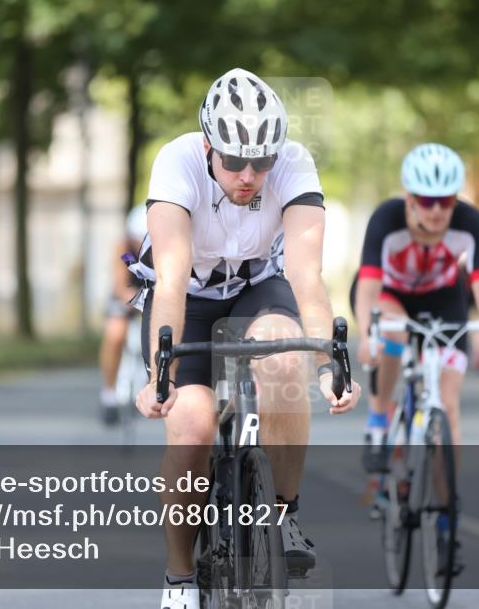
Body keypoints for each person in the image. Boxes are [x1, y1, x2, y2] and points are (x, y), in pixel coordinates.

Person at [128, 68, 361, 608]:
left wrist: (328, 363)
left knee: (283, 359)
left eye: (263, 162)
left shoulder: (294, 164)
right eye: (233, 161)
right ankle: (180, 576)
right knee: (192, 421)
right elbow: (169, 280)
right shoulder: (176, 162)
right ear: (209, 144)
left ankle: (284, 513)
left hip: (260, 285)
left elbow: (306, 277)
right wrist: (159, 378)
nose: (249, 175)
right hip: (187, 295)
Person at [352, 143, 479, 575]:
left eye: (446, 201)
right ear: (409, 198)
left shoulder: (469, 222)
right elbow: (367, 284)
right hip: (388, 294)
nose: (438, 211)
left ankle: (445, 514)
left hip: (444, 300)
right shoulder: (386, 220)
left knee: (449, 404)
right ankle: (379, 418)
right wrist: (366, 333)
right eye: (428, 201)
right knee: (395, 332)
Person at [98, 204, 148, 425]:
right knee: (115, 333)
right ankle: (109, 394)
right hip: (129, 290)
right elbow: (120, 282)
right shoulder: (124, 248)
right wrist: (130, 297)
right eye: (139, 240)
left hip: (155, 289)